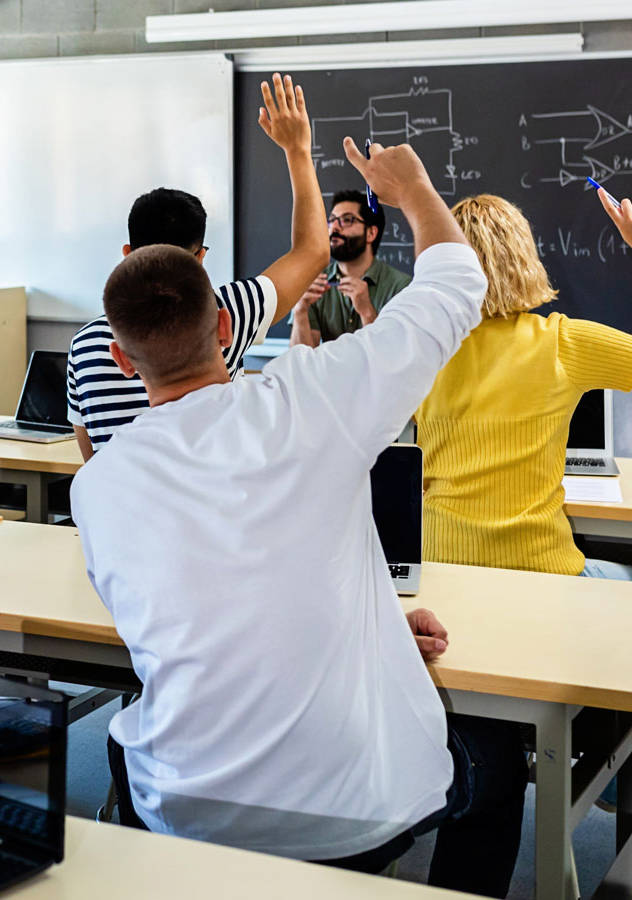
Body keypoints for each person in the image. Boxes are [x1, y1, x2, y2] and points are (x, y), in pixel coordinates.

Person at [71, 133, 525, 898]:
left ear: (121, 358)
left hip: (186, 808)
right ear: (224, 328)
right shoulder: (312, 396)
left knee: (126, 739)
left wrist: (371, 618)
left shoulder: (99, 484)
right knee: (500, 763)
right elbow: (456, 284)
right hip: (347, 817)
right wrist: (411, 191)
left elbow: (200, 615)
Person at [417, 191, 632, 808]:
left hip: (437, 580)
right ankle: (627, 786)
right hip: (537, 576)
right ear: (524, 257)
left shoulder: (418, 343)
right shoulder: (563, 343)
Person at [67, 75, 328, 459]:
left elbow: (92, 459)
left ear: (128, 253)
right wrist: (298, 151)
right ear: (200, 259)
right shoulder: (226, 313)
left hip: (126, 515)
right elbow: (313, 250)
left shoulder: (85, 345)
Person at [289, 188, 413, 347]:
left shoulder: (401, 287)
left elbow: (396, 355)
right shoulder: (313, 285)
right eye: (332, 220)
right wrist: (300, 311)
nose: (335, 228)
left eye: (347, 220)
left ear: (371, 233)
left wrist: (367, 312)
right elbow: (301, 362)